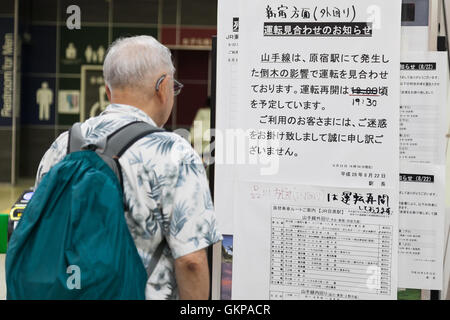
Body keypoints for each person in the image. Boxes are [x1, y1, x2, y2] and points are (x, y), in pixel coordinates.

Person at [34, 35, 222, 300]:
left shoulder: (62, 146)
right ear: (163, 86)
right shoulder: (174, 153)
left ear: (109, 92)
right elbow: (191, 262)